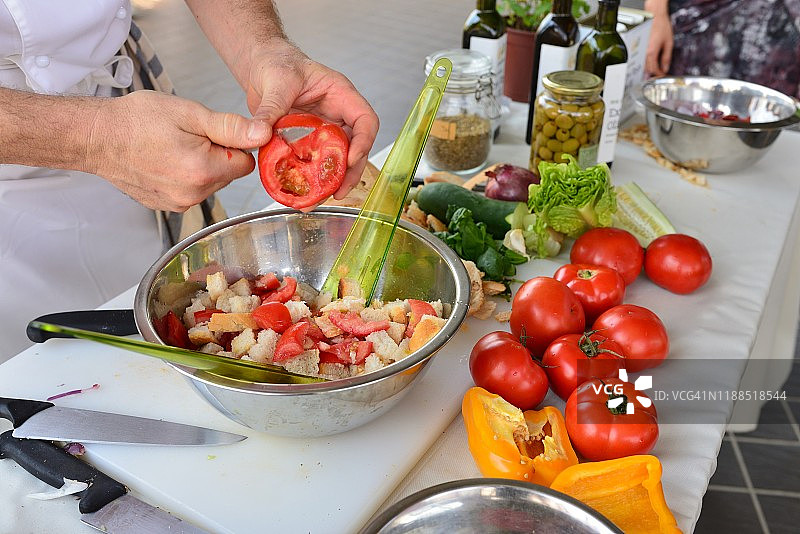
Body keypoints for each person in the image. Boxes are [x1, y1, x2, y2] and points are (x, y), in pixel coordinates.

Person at [0, 0, 379, 361]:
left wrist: (261, 48)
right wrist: (95, 138)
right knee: (32, 373)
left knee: (165, 318)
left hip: (122, 107)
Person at [644, 0, 800, 99]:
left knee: (764, 116)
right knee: (685, 106)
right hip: (698, 20)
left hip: (780, 27)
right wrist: (655, 12)